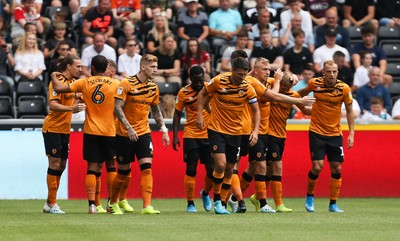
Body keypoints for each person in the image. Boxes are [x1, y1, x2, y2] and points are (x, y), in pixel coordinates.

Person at [51, 55, 120, 214]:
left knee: (92, 168)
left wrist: (54, 75)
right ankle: (111, 203)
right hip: (110, 130)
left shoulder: (84, 82)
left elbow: (59, 88)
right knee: (111, 166)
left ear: (93, 68)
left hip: (91, 131)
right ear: (106, 69)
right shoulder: (116, 84)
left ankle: (92, 205)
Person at [196, 57, 261, 215]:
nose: (242, 78)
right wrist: (200, 114)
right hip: (217, 130)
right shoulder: (218, 81)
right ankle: (217, 200)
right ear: (232, 70)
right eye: (239, 74)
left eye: (245, 74)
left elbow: (256, 110)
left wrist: (255, 131)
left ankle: (222, 204)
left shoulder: (247, 87)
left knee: (230, 169)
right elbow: (202, 94)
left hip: (236, 132)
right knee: (220, 165)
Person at [108, 54, 170, 215]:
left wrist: (164, 130)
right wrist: (129, 128)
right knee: (122, 172)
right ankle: (113, 203)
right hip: (124, 134)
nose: (156, 70)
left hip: (143, 133)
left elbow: (156, 112)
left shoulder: (153, 87)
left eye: (156, 67)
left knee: (147, 168)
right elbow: (117, 107)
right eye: (152, 67)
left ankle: (146, 206)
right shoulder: (126, 83)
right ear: (143, 67)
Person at [298, 60, 355, 213]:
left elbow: (349, 111)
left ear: (337, 72)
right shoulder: (314, 83)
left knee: (336, 167)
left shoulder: (344, 88)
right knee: (317, 166)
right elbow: (298, 94)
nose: (331, 74)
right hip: (316, 132)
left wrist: (351, 133)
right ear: (323, 72)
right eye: (328, 71)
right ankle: (310, 196)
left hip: (335, 133)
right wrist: (303, 108)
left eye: (334, 71)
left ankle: (333, 204)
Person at [42, 55, 86, 214]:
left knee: (61, 165)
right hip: (52, 128)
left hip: (64, 130)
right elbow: (53, 105)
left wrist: (76, 102)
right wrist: (72, 109)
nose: (80, 70)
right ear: (68, 66)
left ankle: (49, 202)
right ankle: (52, 203)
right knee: (54, 164)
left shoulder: (71, 84)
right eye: (78, 66)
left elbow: (71, 99)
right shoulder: (57, 81)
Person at [264, 73, 311, 212]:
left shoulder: (294, 96)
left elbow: (306, 111)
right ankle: (279, 204)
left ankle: (248, 197)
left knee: (266, 170)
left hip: (281, 135)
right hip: (268, 133)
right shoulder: (272, 91)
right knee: (277, 167)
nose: (284, 90)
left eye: (287, 87)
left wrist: (324, 110)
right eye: (282, 86)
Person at [172, 66, 214, 212]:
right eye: (195, 81)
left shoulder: (210, 88)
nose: (198, 84)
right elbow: (177, 114)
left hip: (209, 135)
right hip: (191, 135)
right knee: (191, 169)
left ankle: (206, 193)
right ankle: (190, 203)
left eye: (201, 80)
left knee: (212, 170)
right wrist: (176, 135)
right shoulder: (183, 92)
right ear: (190, 79)